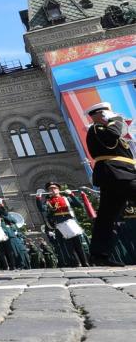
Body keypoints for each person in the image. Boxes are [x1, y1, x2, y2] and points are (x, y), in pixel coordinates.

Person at [84, 101, 136, 266]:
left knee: (107, 217)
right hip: (115, 173)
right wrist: (116, 120)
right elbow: (110, 137)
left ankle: (99, 255)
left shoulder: (108, 130)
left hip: (120, 173)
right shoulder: (96, 128)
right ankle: (99, 255)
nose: (111, 116)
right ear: (99, 115)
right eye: (108, 113)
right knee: (107, 216)